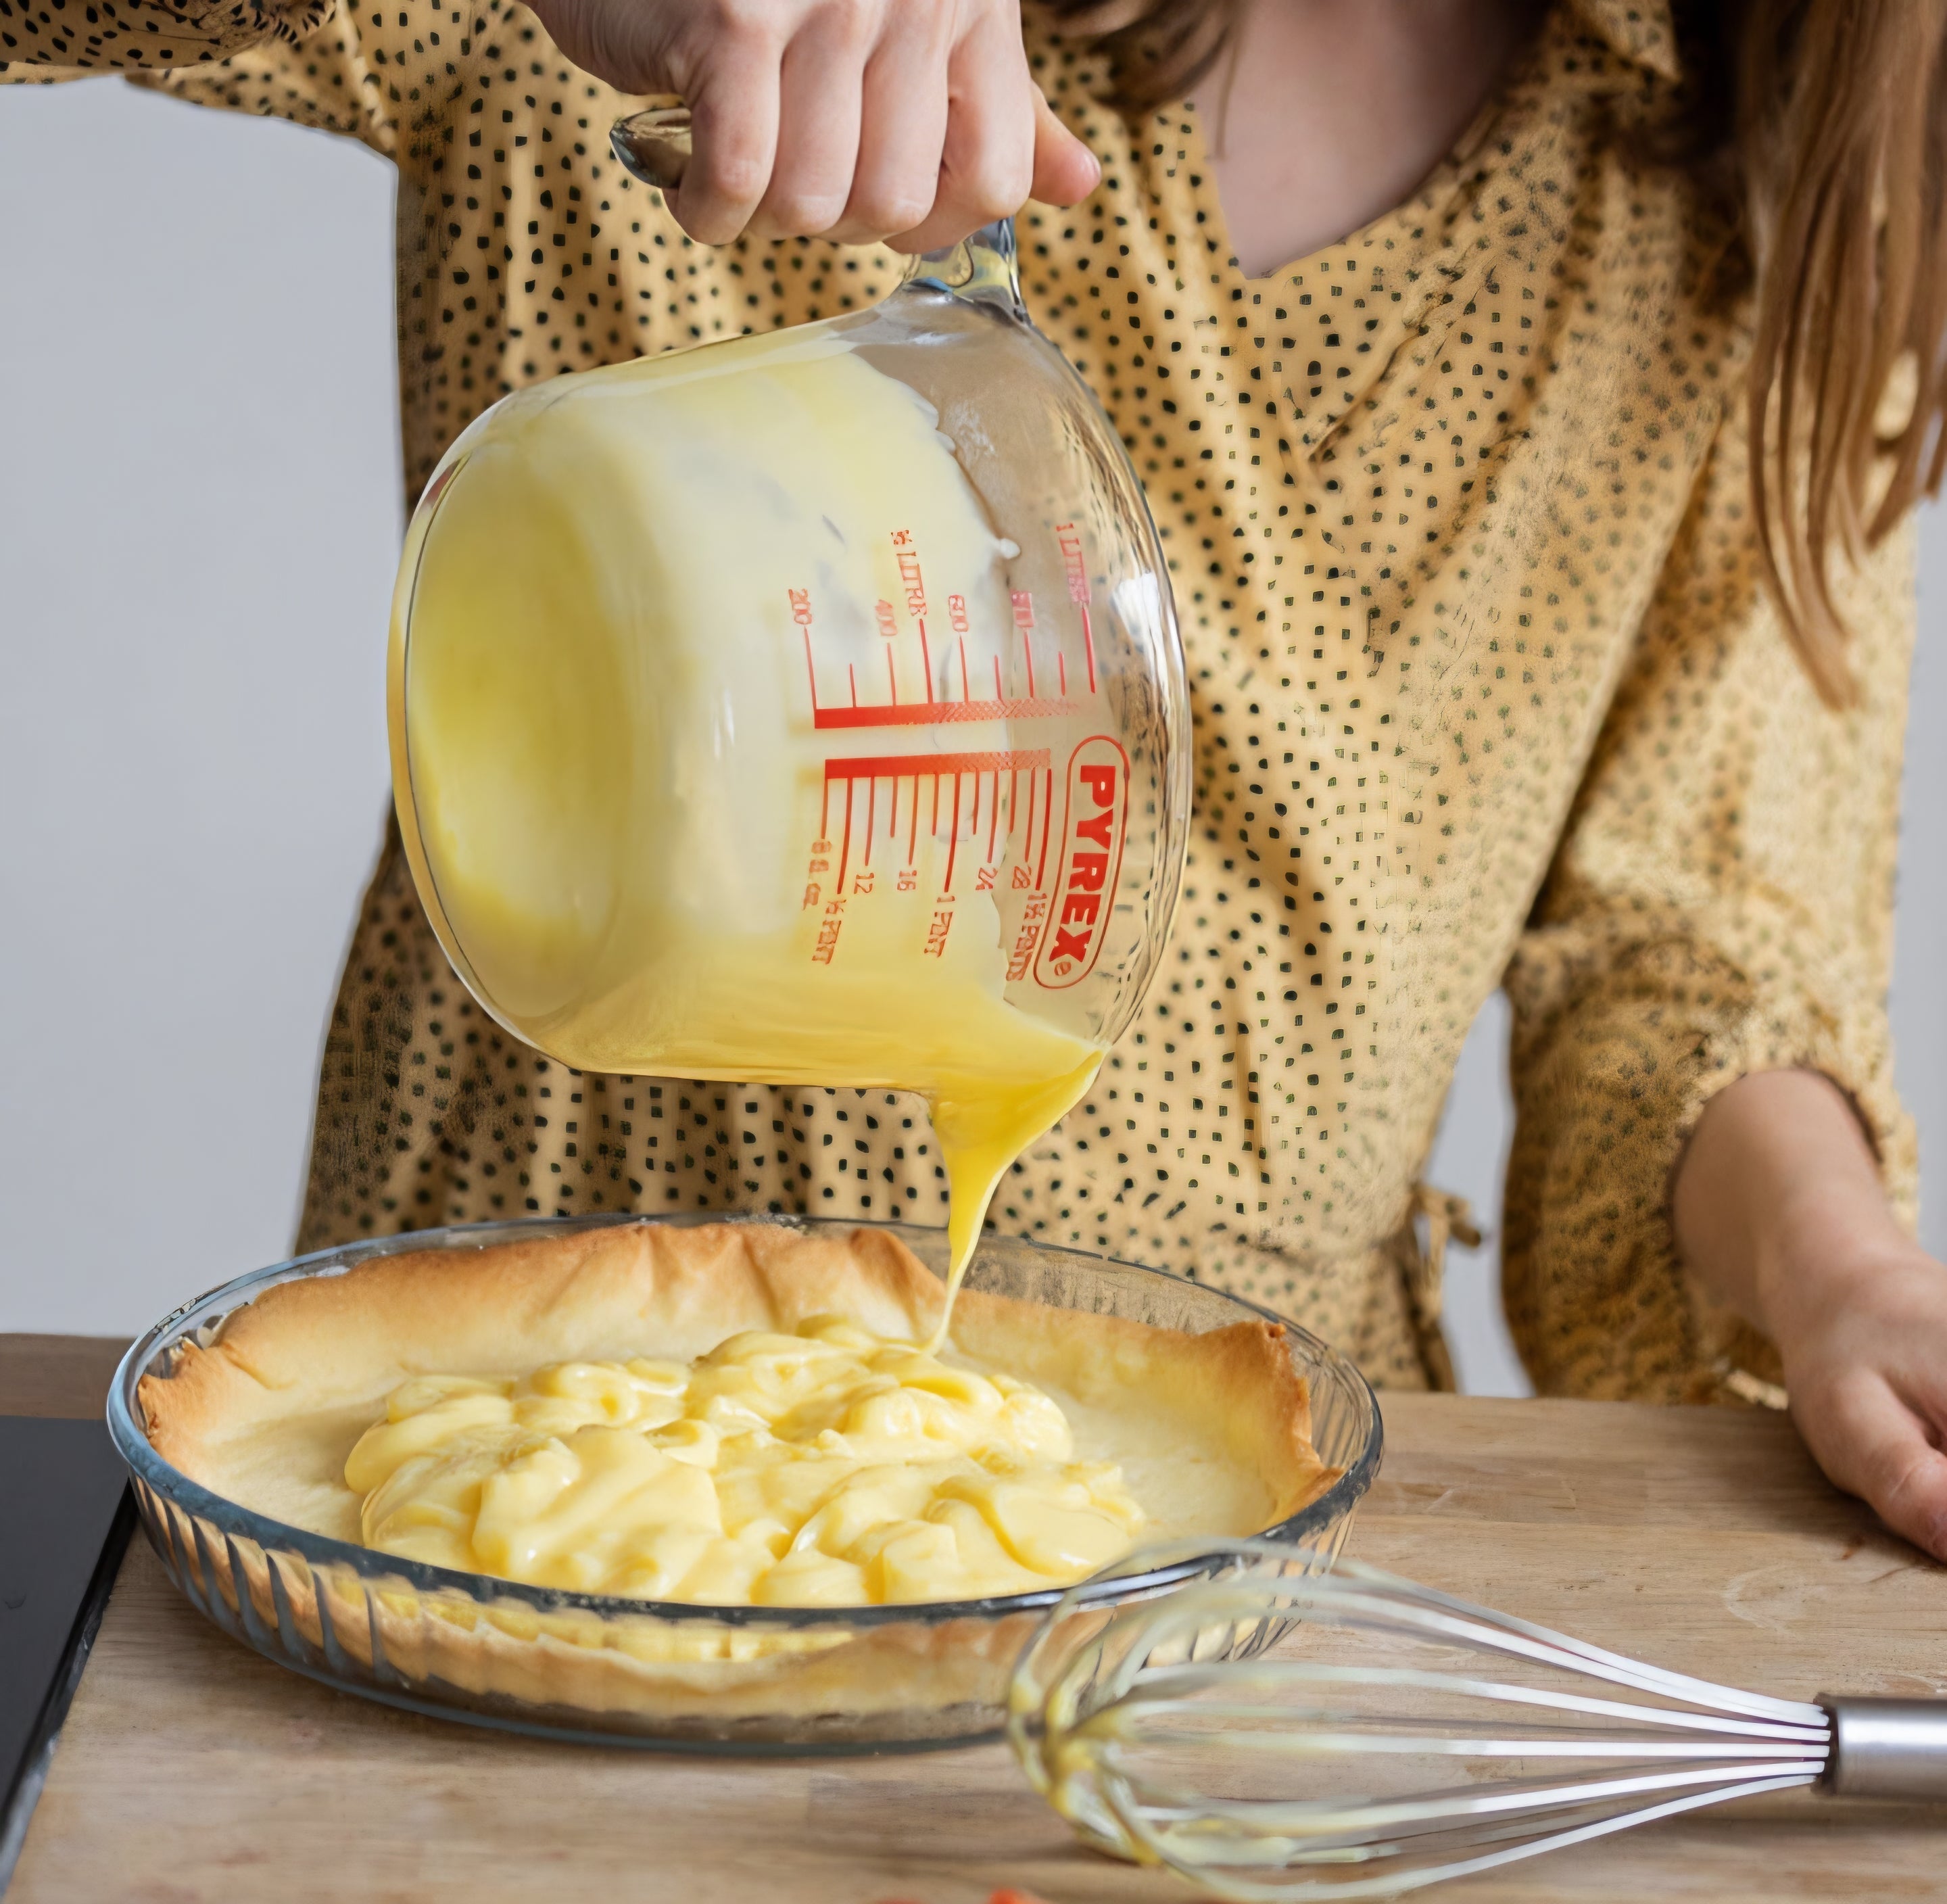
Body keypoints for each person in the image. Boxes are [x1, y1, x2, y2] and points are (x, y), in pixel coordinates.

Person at [9, 0, 1947, 1558]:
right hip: (511, 1441)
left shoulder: (1771, 206)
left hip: (1216, 1531)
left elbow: (1683, 955)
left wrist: (1843, 1276)